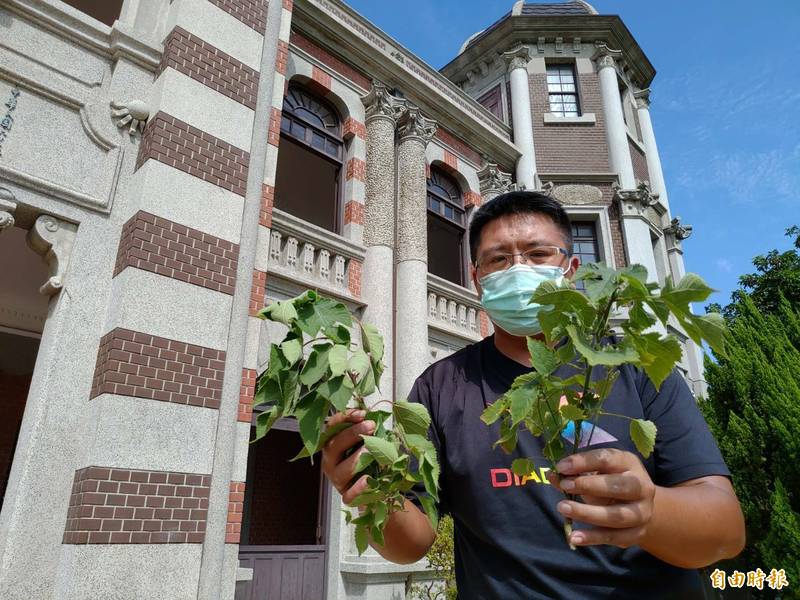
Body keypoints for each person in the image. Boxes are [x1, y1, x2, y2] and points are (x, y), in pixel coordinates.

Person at [321, 191, 745, 598]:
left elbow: (725, 531)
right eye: (499, 259)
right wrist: (373, 493)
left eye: (538, 254)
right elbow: (412, 544)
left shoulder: (637, 368)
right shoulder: (441, 385)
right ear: (476, 278)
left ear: (571, 268)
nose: (518, 269)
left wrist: (651, 511)